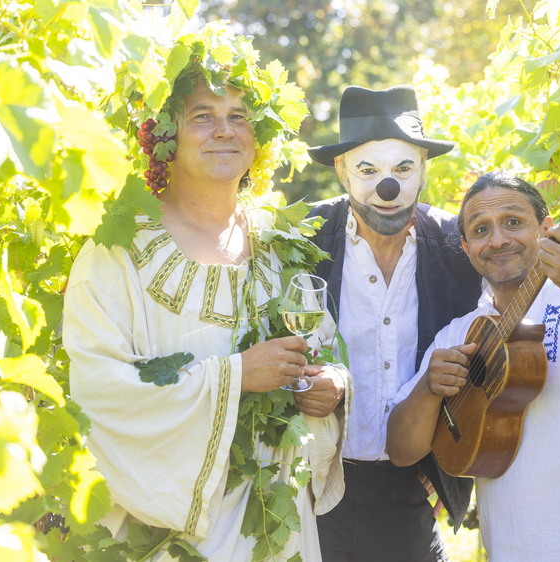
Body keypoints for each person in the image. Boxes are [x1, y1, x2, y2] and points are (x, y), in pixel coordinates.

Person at [63, 33, 349, 561]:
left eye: (239, 116)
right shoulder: (116, 253)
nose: (224, 130)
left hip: (276, 531)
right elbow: (97, 394)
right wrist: (236, 376)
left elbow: (323, 352)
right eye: (203, 115)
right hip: (172, 535)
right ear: (164, 136)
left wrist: (327, 389)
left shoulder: (279, 248)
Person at [387, 172, 560, 561]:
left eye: (513, 222)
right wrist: (428, 390)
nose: (499, 239)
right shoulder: (458, 334)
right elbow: (402, 450)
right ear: (467, 247)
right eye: (481, 229)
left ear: (547, 228)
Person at [306, 85, 484, 560]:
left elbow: (487, 341)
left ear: (424, 166)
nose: (388, 187)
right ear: (342, 170)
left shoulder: (456, 246)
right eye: (368, 170)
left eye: (403, 168)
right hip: (315, 484)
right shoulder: (302, 239)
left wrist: (443, 460)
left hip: (410, 486)